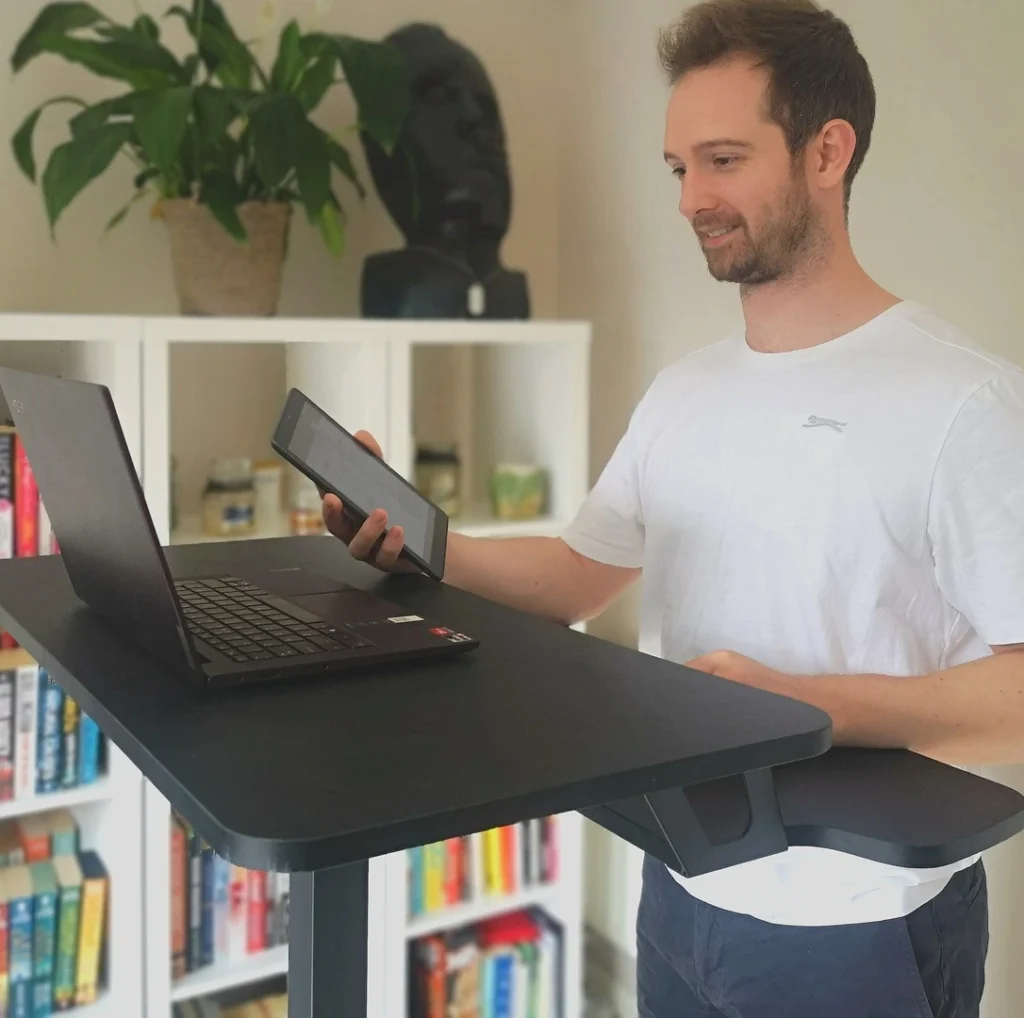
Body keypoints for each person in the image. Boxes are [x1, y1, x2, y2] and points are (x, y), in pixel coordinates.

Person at [324, 0, 1024, 1013]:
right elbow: (574, 577)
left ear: (828, 152)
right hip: (683, 883)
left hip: (853, 924)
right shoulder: (684, 390)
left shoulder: (965, 401)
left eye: (724, 159)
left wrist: (809, 708)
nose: (692, 196)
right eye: (677, 167)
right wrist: (424, 549)